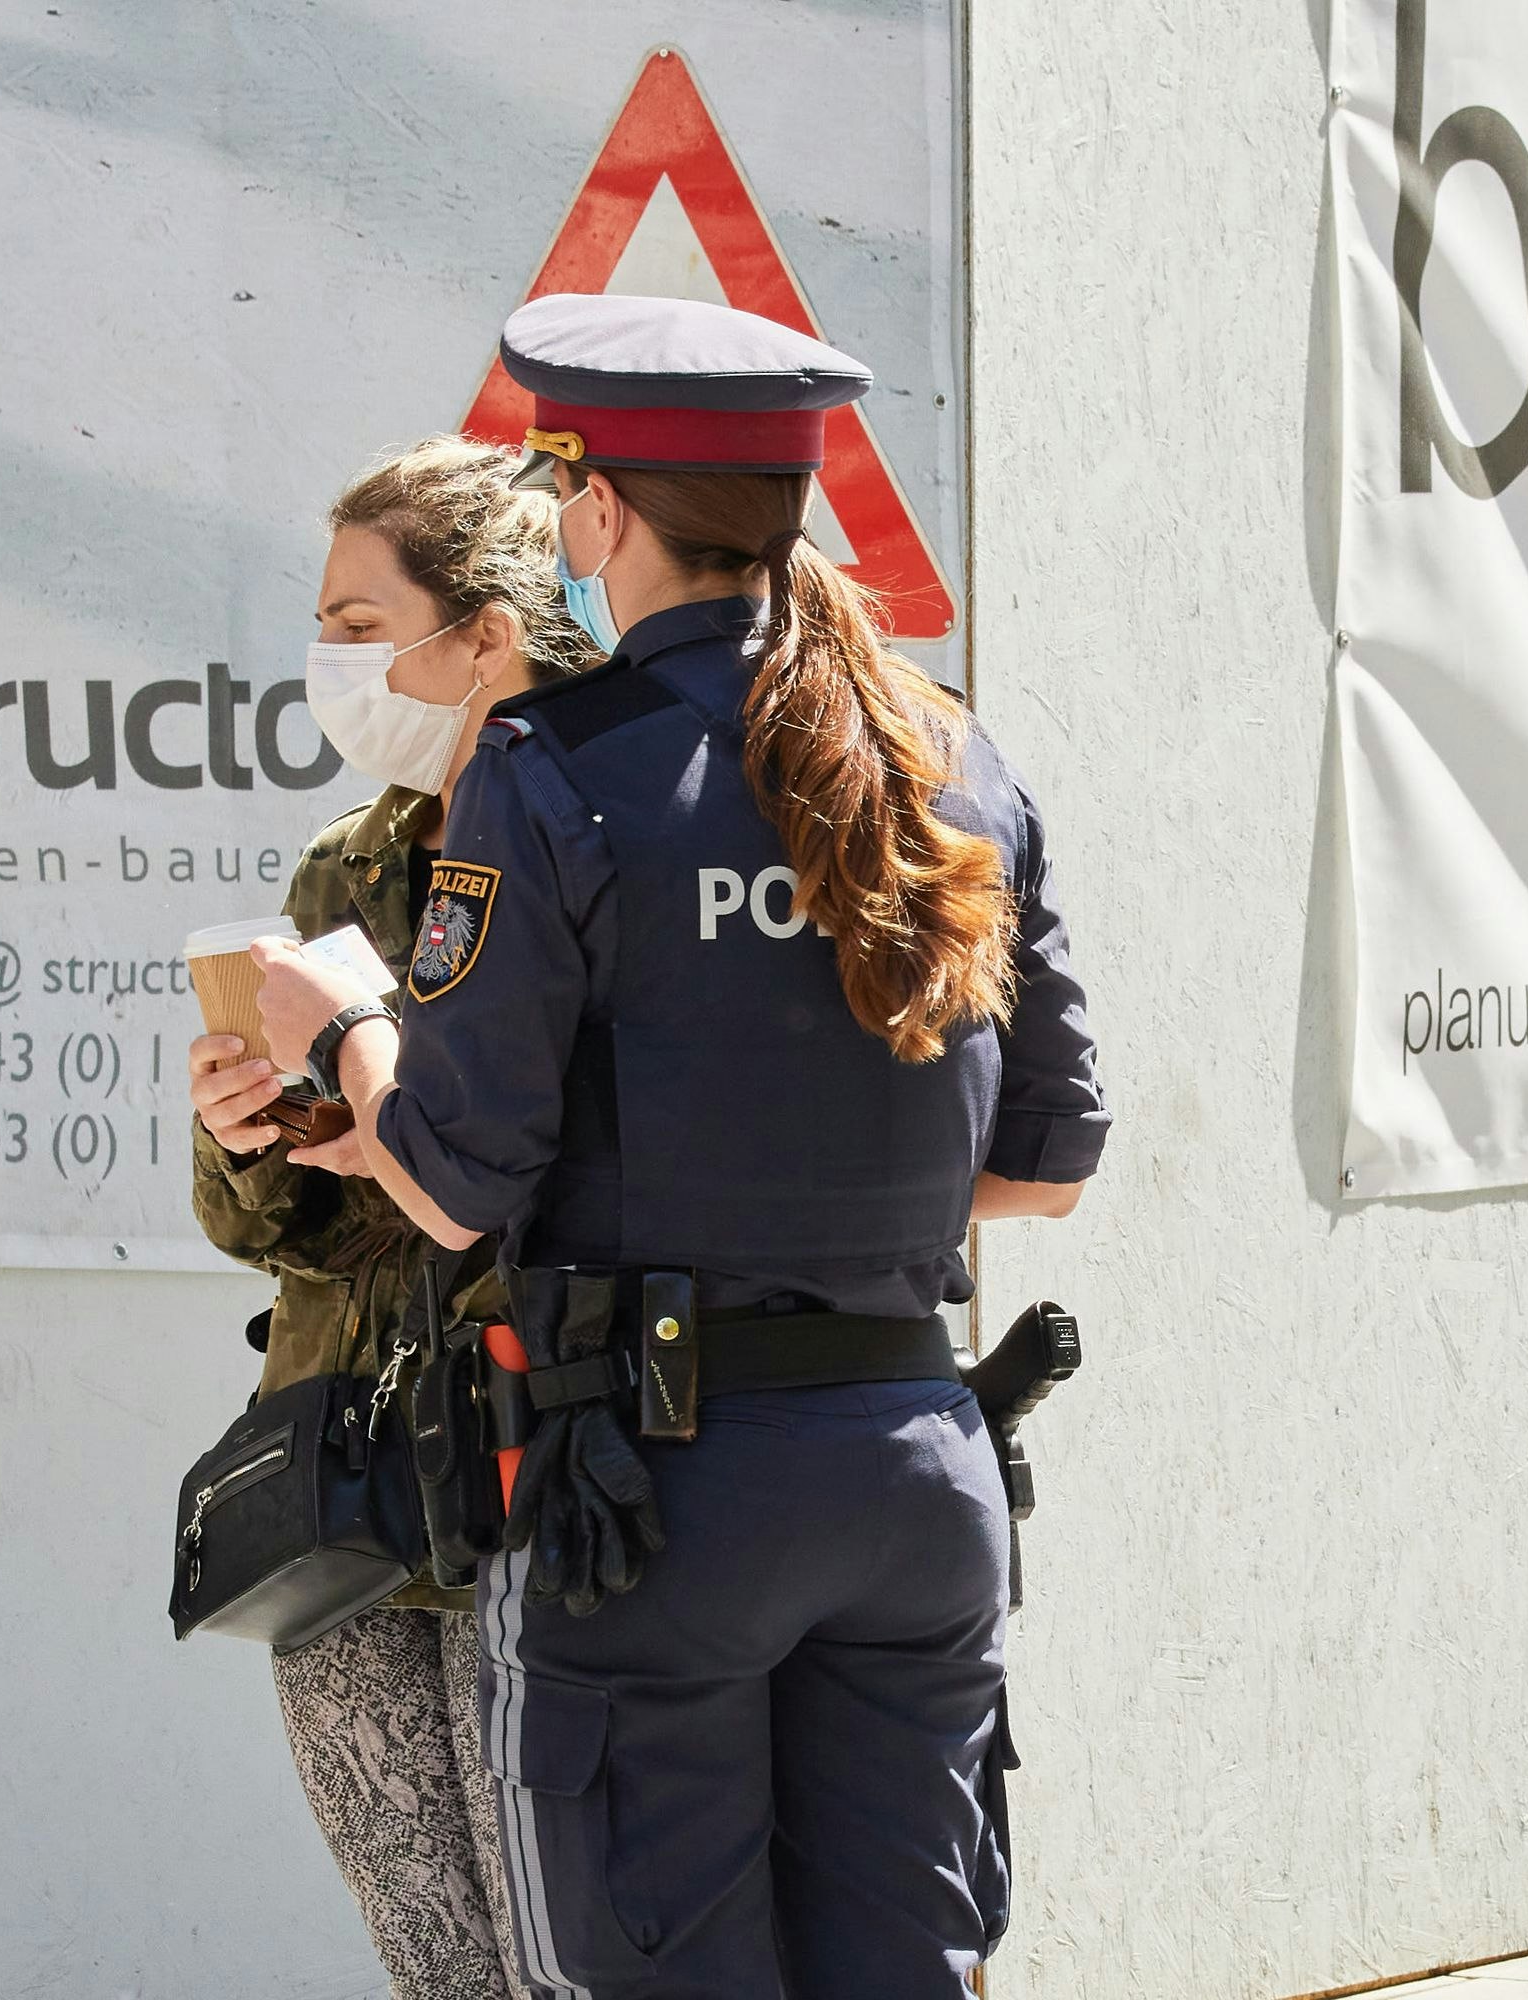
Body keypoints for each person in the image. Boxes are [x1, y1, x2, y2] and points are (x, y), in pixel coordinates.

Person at [252, 292, 1110, 1999]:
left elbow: (457, 1179)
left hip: (657, 1497)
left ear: (604, 513)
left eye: (569, 488)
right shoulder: (950, 759)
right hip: (913, 1461)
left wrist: (339, 1036)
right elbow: (1047, 1164)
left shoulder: (558, 766)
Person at [184, 437, 598, 1998]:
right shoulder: (348, 863)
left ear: (482, 631)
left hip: (538, 1477)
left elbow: (564, 1170)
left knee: (562, 1950)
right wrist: (259, 1140)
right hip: (349, 1492)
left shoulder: (599, 840)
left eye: (360, 624)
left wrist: (389, 1102)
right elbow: (278, 1233)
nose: (328, 659)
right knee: (433, 1955)